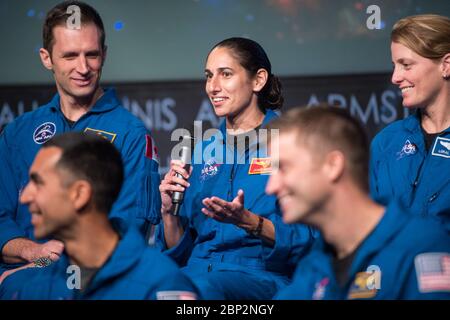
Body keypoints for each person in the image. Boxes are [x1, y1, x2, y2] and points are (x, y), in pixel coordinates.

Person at [0, 1, 160, 276]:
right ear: (46, 57)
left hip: (94, 282)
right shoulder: (18, 133)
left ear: (104, 55)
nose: (83, 68)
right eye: (70, 55)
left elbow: (125, 233)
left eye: (92, 55)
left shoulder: (130, 134)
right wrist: (32, 253)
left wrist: (37, 269)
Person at [156, 37, 315, 300]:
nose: (213, 87)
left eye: (225, 74)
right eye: (209, 76)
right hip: (194, 274)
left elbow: (311, 240)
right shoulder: (201, 150)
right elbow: (180, 253)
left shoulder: (293, 144)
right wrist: (168, 214)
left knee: (198, 290)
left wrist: (250, 222)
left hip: (261, 277)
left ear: (258, 80)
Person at [266, 106, 450, 300]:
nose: (271, 187)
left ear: (333, 165)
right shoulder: (314, 265)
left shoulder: (422, 247)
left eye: (284, 168)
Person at [0, 132, 199, 300]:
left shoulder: (161, 285)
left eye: (38, 183)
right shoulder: (32, 284)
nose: (25, 197)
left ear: (79, 194)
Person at [370, 14, 450, 231]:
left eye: (406, 65)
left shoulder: (269, 133)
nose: (395, 77)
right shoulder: (386, 142)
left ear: (446, 65)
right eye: (395, 65)